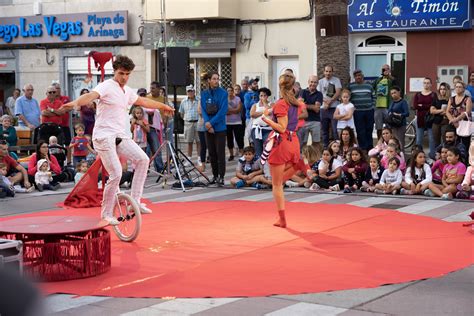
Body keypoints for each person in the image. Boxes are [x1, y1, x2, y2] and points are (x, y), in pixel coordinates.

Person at [60, 55, 174, 225]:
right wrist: (74, 103)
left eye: (128, 74)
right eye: (121, 73)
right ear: (115, 71)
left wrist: (163, 106)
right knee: (116, 173)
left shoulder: (127, 91)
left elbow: (142, 101)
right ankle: (106, 214)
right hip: (103, 136)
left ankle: (134, 202)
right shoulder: (106, 86)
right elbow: (90, 96)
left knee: (143, 160)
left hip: (120, 135)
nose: (124, 78)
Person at [259, 72, 303, 228]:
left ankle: (282, 219)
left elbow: (282, 127)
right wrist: (271, 111)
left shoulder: (281, 104)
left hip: (281, 142)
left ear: (280, 86)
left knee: (276, 184)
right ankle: (300, 166)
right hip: (294, 141)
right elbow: (296, 119)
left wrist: (266, 119)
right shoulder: (297, 103)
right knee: (280, 179)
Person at [200, 71, 228, 186]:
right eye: (214, 79)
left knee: (220, 153)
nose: (216, 81)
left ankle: (221, 177)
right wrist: (207, 123)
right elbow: (203, 109)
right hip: (208, 127)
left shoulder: (223, 93)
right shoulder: (204, 93)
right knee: (211, 153)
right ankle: (215, 175)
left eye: (217, 79)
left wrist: (211, 123)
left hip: (219, 127)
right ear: (209, 80)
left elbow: (223, 111)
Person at [349, 69, 375, 151]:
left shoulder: (369, 86)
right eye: (356, 76)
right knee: (360, 130)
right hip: (357, 112)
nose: (358, 77)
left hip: (369, 111)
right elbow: (347, 97)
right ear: (354, 77)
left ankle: (370, 147)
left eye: (359, 75)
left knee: (369, 129)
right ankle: (362, 148)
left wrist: (373, 105)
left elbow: (374, 96)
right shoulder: (351, 86)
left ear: (362, 76)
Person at [317, 65, 342, 147]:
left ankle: (337, 147)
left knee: (335, 130)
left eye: (330, 71)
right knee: (324, 130)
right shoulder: (320, 81)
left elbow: (338, 93)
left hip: (334, 108)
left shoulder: (336, 80)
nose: (328, 73)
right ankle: (325, 147)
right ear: (324, 72)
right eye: (326, 71)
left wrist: (330, 102)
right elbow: (319, 94)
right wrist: (326, 102)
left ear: (332, 72)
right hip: (323, 109)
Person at [373, 64, 399, 139]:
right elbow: (372, 89)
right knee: (378, 127)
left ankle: (390, 142)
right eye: (383, 69)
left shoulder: (392, 79)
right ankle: (379, 143)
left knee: (390, 126)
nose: (385, 70)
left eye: (387, 69)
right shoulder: (378, 80)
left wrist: (389, 76)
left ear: (389, 70)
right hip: (378, 106)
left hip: (389, 106)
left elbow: (397, 86)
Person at [413, 78, 436, 159]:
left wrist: (421, 106)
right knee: (419, 139)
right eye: (425, 83)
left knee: (432, 139)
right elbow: (415, 106)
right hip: (420, 119)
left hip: (430, 119)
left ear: (431, 84)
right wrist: (427, 106)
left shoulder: (433, 95)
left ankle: (432, 156)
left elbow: (433, 105)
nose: (426, 84)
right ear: (423, 84)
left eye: (428, 83)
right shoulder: (418, 95)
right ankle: (418, 156)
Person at [299, 75, 323, 154]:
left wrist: (305, 105)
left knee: (316, 143)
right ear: (308, 82)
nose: (313, 84)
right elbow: (300, 105)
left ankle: (316, 160)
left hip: (315, 121)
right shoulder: (302, 92)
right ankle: (303, 160)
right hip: (304, 121)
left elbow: (316, 109)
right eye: (311, 82)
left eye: (315, 82)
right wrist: (311, 106)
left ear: (317, 83)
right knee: (303, 142)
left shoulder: (319, 94)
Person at [446, 81, 472, 151]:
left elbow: (467, 111)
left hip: (464, 124)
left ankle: (464, 160)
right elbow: (447, 111)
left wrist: (456, 119)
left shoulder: (467, 99)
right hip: (453, 124)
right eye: (456, 87)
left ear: (464, 89)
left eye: (460, 87)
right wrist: (453, 121)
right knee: (452, 143)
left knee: (464, 144)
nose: (458, 88)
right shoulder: (451, 99)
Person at [179, 85, 201, 161]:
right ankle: (189, 158)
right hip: (188, 123)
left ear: (194, 91)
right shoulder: (183, 101)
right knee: (189, 142)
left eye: (192, 91)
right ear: (186, 92)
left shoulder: (199, 100)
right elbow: (181, 113)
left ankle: (199, 158)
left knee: (199, 141)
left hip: (198, 122)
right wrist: (187, 119)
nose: (190, 93)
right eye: (189, 91)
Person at [250, 87, 273, 159]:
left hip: (268, 129)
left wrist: (265, 103)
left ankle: (268, 166)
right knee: (258, 149)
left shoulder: (271, 104)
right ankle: (260, 167)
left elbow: (269, 112)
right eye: (261, 95)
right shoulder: (255, 105)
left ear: (267, 96)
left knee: (268, 148)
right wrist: (263, 112)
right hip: (257, 129)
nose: (262, 97)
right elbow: (252, 114)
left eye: (264, 95)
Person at [387, 86, 409, 150]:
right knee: (393, 142)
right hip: (393, 125)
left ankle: (402, 157)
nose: (393, 95)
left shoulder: (403, 102)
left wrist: (399, 114)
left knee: (400, 142)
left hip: (401, 125)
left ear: (399, 92)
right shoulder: (392, 102)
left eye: (395, 92)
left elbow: (407, 113)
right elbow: (389, 111)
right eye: (392, 93)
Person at [225, 86, 244, 160]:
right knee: (229, 139)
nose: (229, 92)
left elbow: (238, 110)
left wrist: (229, 111)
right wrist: (234, 110)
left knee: (239, 138)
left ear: (233, 91)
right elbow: (223, 111)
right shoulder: (224, 100)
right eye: (228, 90)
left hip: (237, 122)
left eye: (231, 90)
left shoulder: (237, 99)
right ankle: (231, 155)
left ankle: (242, 154)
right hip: (227, 123)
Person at [431, 82, 450, 148]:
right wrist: (442, 110)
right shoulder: (436, 99)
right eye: (441, 89)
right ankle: (437, 156)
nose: (442, 91)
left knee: (446, 140)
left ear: (447, 90)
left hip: (446, 122)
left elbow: (449, 112)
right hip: (436, 122)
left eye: (444, 89)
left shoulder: (450, 100)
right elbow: (432, 111)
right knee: (436, 141)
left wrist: (437, 111)